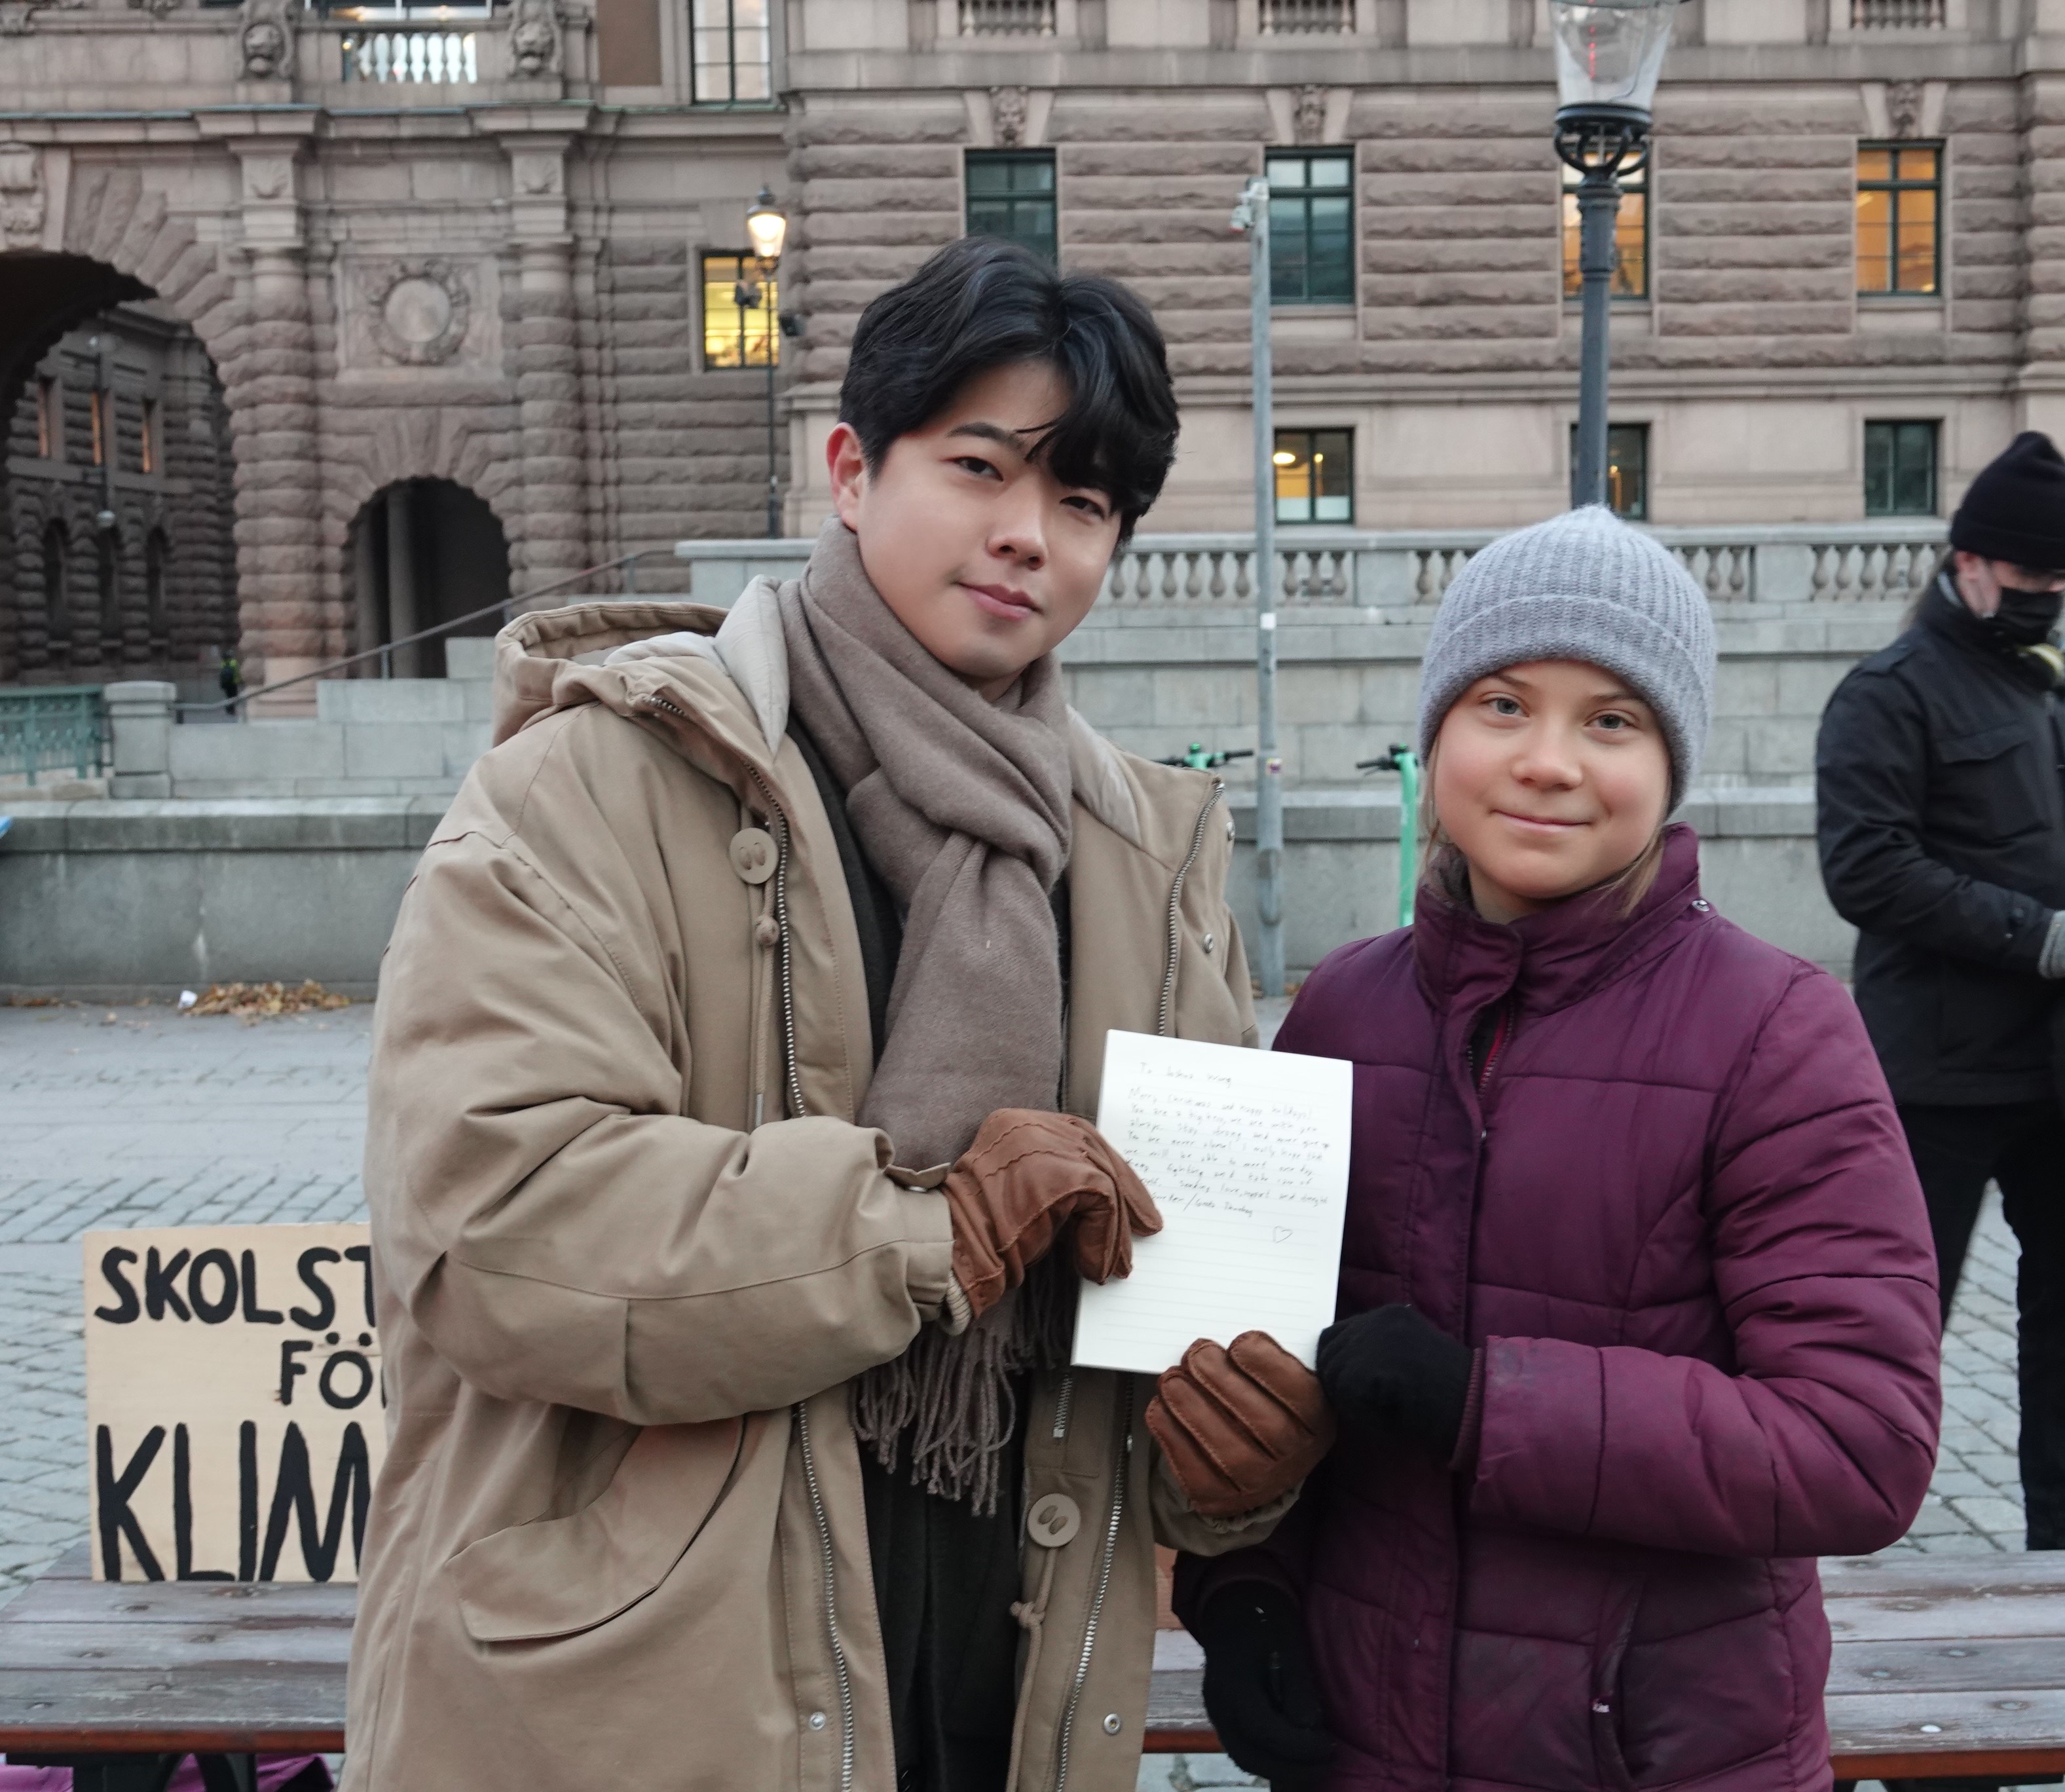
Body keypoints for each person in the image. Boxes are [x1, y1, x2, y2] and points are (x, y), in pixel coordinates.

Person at [348, 238, 1333, 1792]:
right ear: (850, 469)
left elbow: (1182, 1289)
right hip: (653, 1703)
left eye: (1081, 505)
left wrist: (1240, 1462)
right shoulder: (589, 785)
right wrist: (919, 1232)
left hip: (1000, 1688)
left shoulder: (1147, 856)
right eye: (980, 467)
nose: (1026, 537)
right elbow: (490, 1223)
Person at [1175, 508, 1944, 1792]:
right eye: (1502, 703)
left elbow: (1861, 1446)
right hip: (1377, 1740)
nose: (1547, 761)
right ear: (1435, 735)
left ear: (1670, 759)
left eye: (1611, 720)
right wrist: (1243, 1586)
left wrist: (1490, 1402)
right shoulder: (1341, 1012)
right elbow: (1255, 1370)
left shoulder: (1777, 1031)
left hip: (1665, 1753)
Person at [1814, 430, 2065, 1550]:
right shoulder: (1888, 694)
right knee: (1898, 1320)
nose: (2048, 598)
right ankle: (1837, 1525)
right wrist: (2047, 938)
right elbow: (1867, 871)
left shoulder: (2060, 682)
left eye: (2063, 582)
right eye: (2033, 578)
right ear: (1971, 561)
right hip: (1938, 1073)